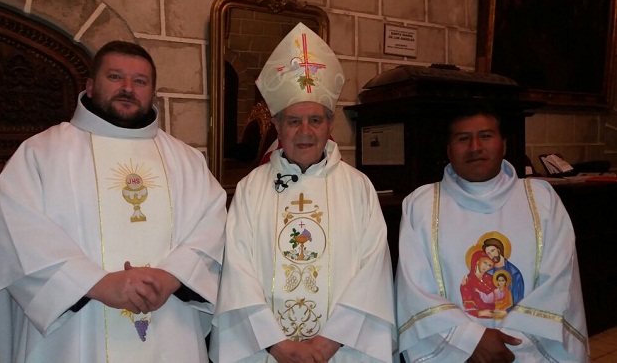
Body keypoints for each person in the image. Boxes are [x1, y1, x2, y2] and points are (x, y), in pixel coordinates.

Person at [0, 41, 227, 362]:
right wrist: (97, 284)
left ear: (153, 93)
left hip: (171, 325)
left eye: (140, 81)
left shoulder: (187, 160)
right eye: (115, 77)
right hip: (73, 334)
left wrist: (173, 276)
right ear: (90, 87)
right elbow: (15, 233)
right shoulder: (41, 153)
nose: (128, 88)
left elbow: (212, 228)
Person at [210, 23, 397, 363]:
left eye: (316, 120)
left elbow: (373, 273)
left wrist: (327, 344)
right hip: (268, 352)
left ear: (330, 126)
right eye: (294, 121)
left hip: (339, 351)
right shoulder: (253, 186)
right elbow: (237, 269)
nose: (306, 131)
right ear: (278, 127)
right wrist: (277, 345)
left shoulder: (358, 187)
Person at [395, 105, 588, 362]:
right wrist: (471, 340)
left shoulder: (542, 199)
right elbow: (414, 288)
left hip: (531, 349)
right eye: (463, 138)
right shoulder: (421, 204)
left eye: (485, 136)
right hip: (458, 352)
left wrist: (510, 343)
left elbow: (560, 281)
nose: (475, 146)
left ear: (504, 144)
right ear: (449, 149)